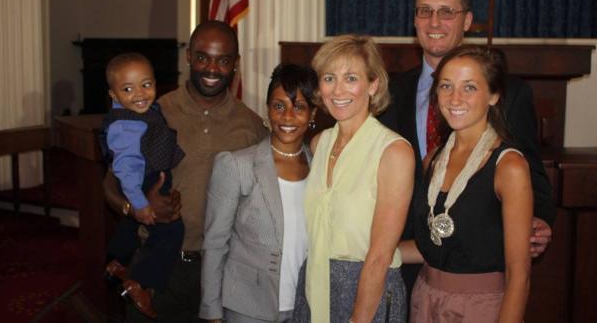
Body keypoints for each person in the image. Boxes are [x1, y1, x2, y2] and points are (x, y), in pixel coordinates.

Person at [378, 0, 555, 296]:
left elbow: (531, 173)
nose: (435, 21)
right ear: (414, 20)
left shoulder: (510, 93)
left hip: (475, 266)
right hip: (400, 260)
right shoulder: (388, 93)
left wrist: (539, 220)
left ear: (468, 20)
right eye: (424, 11)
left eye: (447, 12)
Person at [103, 20, 269, 322]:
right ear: (189, 56)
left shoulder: (252, 126)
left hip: (222, 270)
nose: (212, 68)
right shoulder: (151, 110)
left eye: (223, 60)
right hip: (154, 264)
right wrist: (135, 208)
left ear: (236, 64)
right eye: (203, 57)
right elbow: (109, 185)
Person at [401, 44, 532, 321]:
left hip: (480, 307)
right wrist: (371, 250)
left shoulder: (509, 167)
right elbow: (432, 246)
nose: (454, 98)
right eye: (446, 86)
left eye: (469, 87)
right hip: (425, 299)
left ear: (493, 95)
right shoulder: (433, 160)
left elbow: (519, 275)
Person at [293, 35, 415, 322]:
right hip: (314, 282)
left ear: (373, 84)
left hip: (367, 289)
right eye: (329, 78)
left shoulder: (393, 152)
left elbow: (380, 256)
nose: (337, 90)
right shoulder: (319, 143)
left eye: (351, 78)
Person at [199, 64, 318, 323]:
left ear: (312, 114)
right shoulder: (236, 164)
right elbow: (215, 242)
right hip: (247, 307)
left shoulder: (320, 167)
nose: (287, 116)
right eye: (279, 106)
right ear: (267, 109)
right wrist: (211, 311)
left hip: (304, 307)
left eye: (298, 107)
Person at [101, 52, 185, 318]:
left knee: (131, 226)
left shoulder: (142, 113)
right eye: (128, 89)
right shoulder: (124, 125)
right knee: (170, 230)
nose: (139, 93)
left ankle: (117, 260)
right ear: (113, 95)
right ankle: (142, 283)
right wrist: (139, 202)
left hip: (148, 174)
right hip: (143, 179)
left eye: (146, 84)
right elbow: (124, 168)